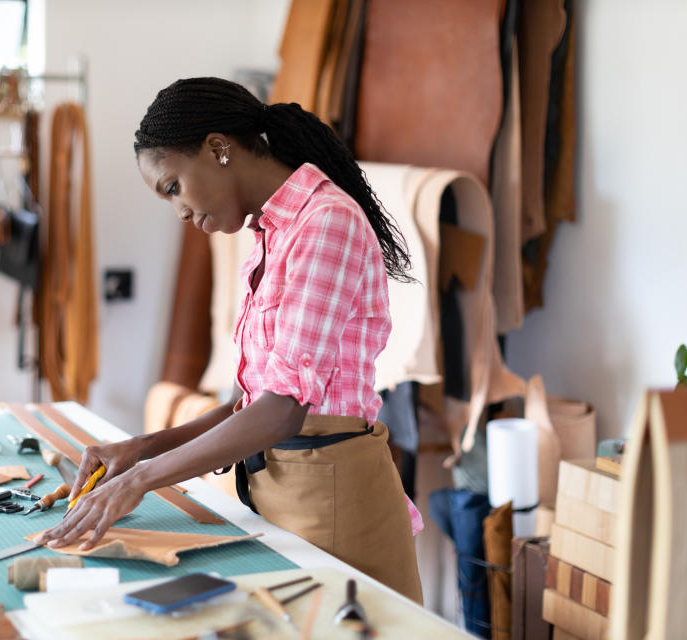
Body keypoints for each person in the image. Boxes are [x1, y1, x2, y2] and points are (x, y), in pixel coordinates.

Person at [35, 77, 423, 602]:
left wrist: (142, 479)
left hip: (332, 501)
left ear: (219, 149)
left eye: (173, 186)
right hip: (278, 488)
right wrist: (138, 448)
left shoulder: (326, 222)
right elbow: (253, 403)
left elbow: (283, 411)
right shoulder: (271, 232)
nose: (180, 211)